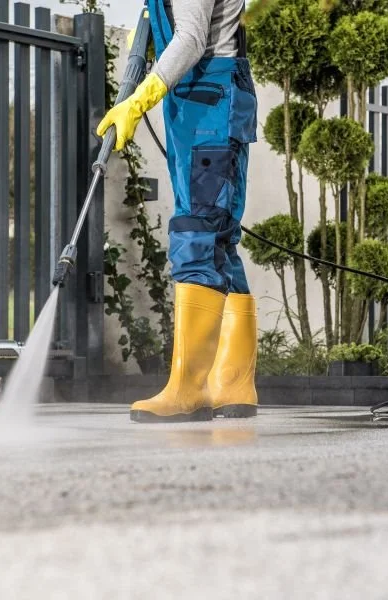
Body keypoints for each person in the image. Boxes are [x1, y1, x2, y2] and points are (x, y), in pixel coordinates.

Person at [97, 0, 259, 423]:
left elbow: (189, 39)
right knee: (221, 242)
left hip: (208, 107)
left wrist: (140, 98)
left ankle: (189, 388)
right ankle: (233, 384)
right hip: (206, 104)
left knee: (196, 234)